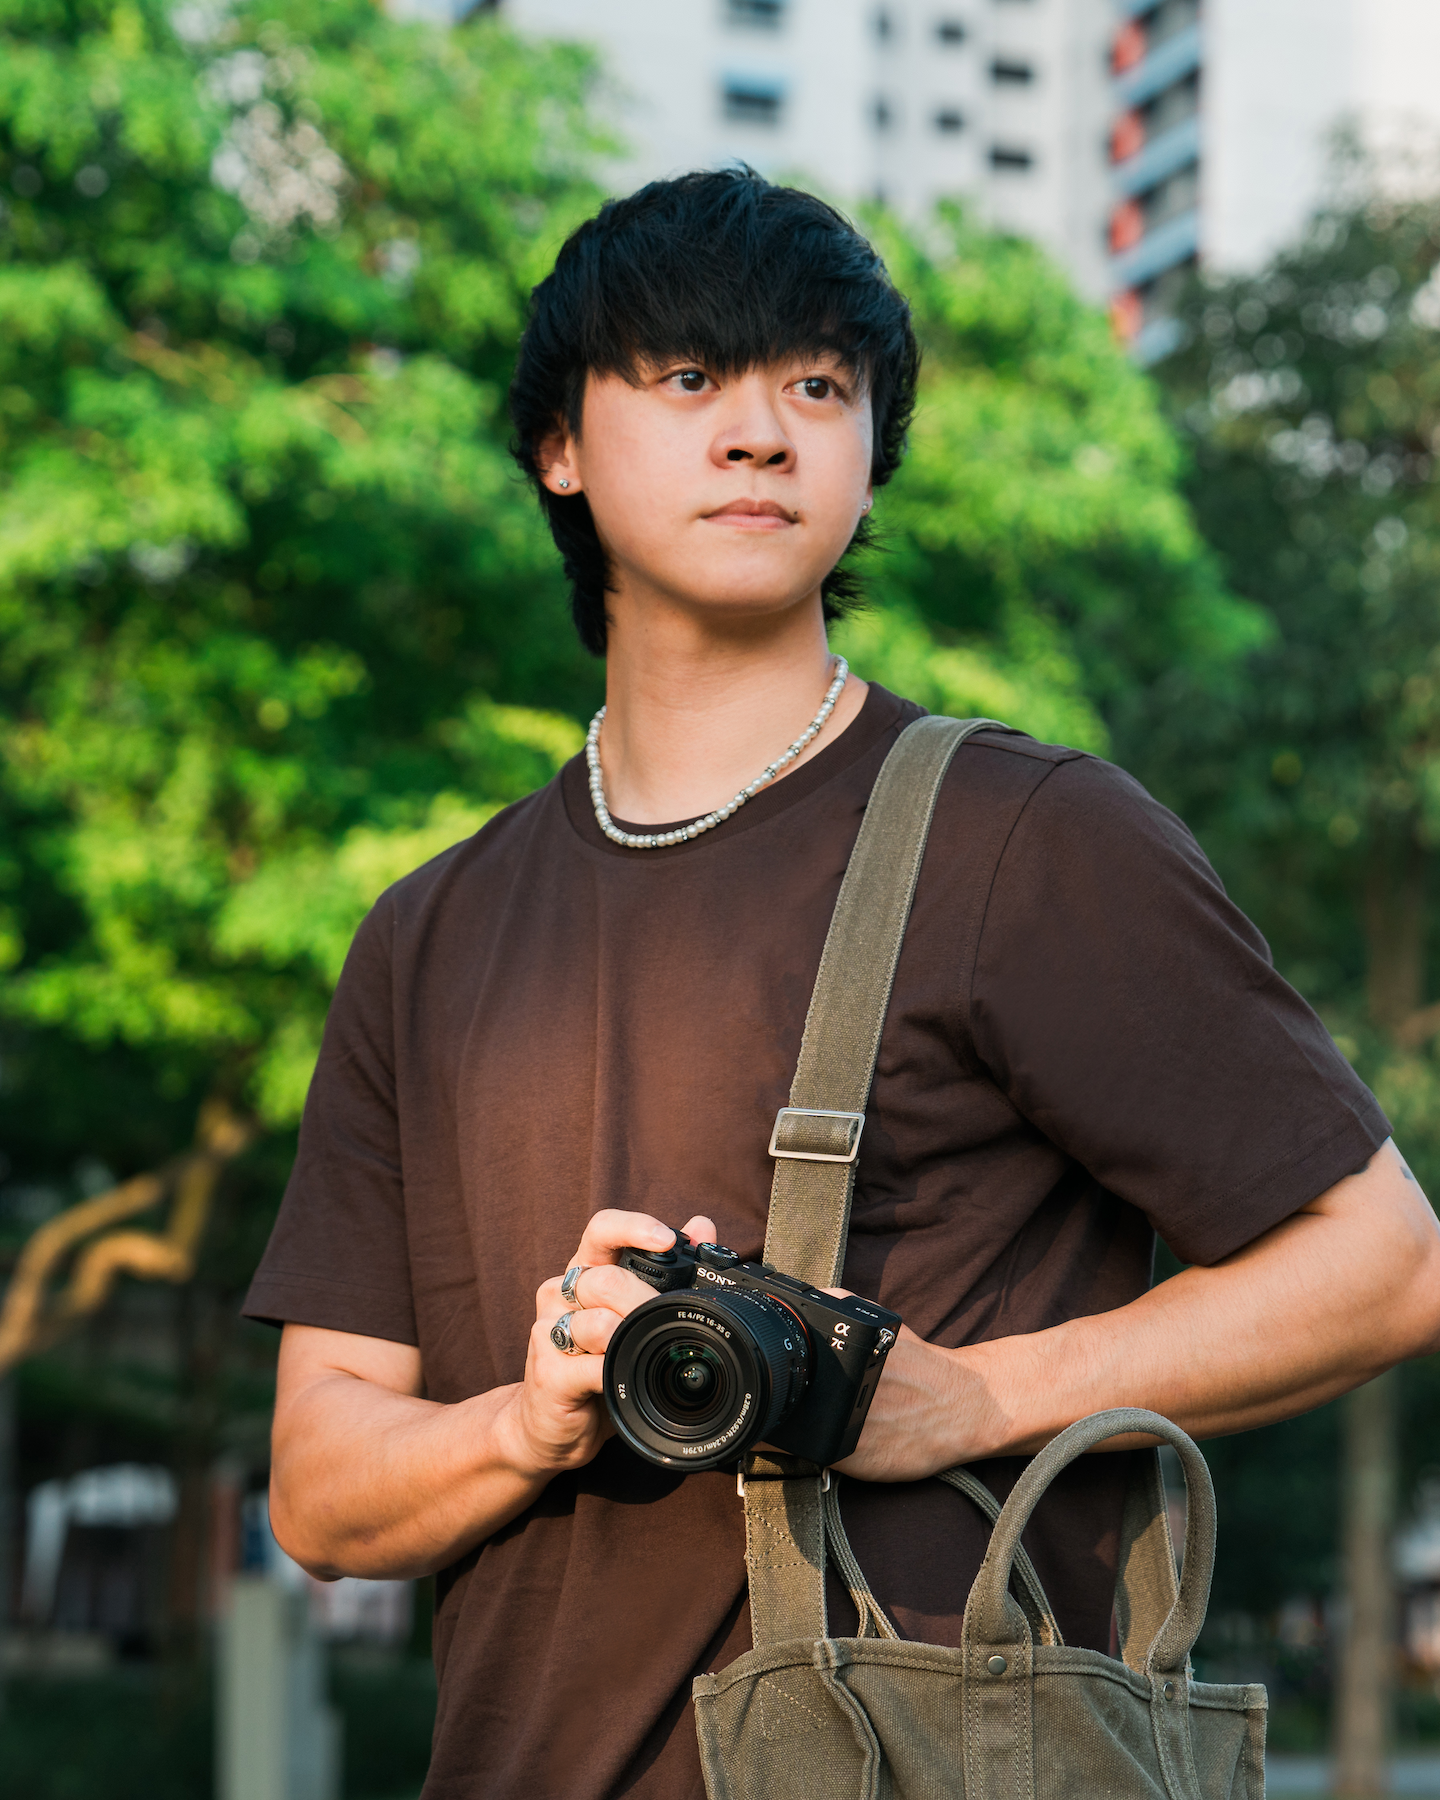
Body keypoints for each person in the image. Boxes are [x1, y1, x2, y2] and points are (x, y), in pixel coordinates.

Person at [244, 170, 1440, 1800]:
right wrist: (527, 1420)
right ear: (560, 448)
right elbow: (320, 1490)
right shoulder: (428, 932)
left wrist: (964, 1399)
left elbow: (1383, 1264)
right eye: (688, 377)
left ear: (869, 460)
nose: (761, 432)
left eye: (818, 385)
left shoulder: (1025, 839)